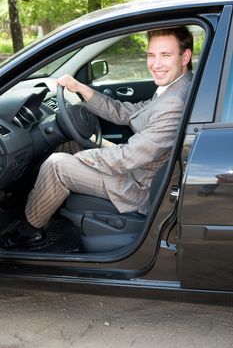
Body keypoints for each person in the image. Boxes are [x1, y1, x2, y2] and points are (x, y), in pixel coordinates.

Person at [2, 26, 193, 249]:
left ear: (185, 56)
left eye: (165, 55)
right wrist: (81, 89)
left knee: (57, 165)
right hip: (141, 167)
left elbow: (127, 158)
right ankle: (37, 202)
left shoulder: (174, 102)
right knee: (70, 145)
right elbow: (127, 113)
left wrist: (87, 155)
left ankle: (29, 232)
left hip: (139, 185)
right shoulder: (177, 87)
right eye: (151, 55)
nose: (155, 64)